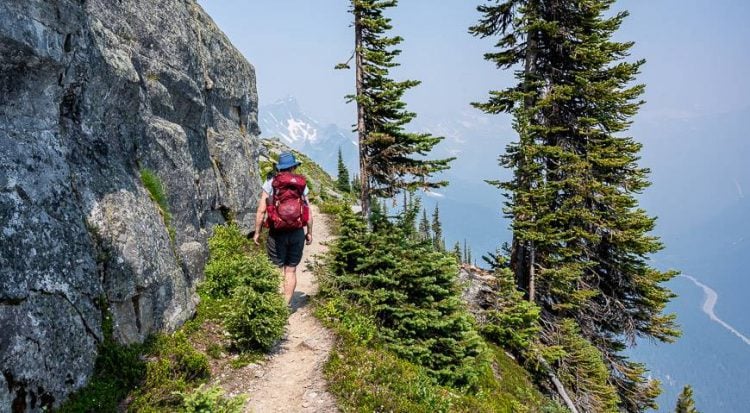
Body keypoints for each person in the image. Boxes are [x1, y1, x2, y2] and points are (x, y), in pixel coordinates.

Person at [253, 152, 313, 306]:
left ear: (280, 167)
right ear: (293, 167)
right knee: (291, 270)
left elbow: (261, 210)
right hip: (297, 232)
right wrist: (309, 233)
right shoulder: (300, 184)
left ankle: (275, 307)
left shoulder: (271, 182)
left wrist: (257, 232)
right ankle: (285, 306)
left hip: (276, 232)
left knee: (276, 269)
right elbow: (308, 211)